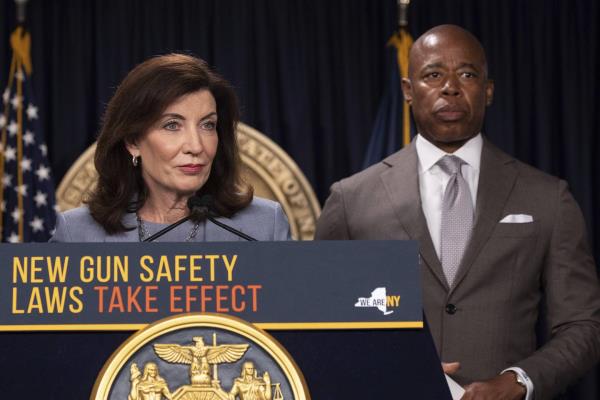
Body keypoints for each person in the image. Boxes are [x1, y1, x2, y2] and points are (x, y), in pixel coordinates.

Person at [315, 25, 600, 399]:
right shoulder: (351, 199)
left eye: (467, 74)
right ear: (407, 90)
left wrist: (518, 381)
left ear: (488, 90)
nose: (450, 87)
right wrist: (385, 368)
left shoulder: (548, 197)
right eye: (433, 75)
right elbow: (318, 325)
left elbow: (583, 326)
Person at [50, 54, 290, 242]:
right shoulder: (77, 233)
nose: (196, 146)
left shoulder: (264, 226)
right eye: (172, 125)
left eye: (208, 125)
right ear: (133, 142)